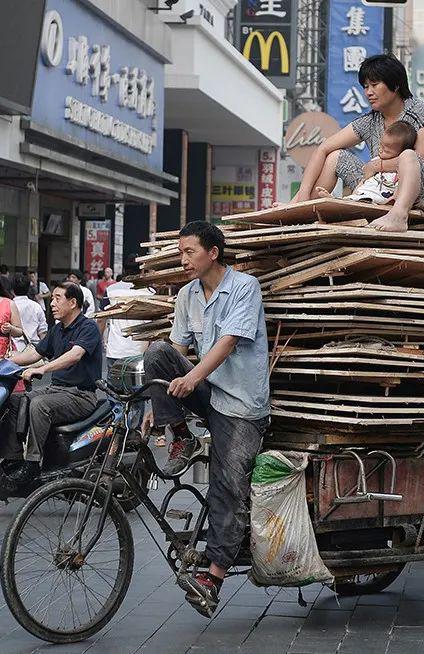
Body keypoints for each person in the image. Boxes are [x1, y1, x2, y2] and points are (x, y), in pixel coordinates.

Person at [141, 221, 269, 617]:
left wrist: (192, 376)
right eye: (180, 252)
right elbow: (176, 350)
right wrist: (154, 405)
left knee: (227, 485)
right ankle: (182, 436)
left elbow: (229, 341)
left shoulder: (244, 287)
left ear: (213, 253)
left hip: (241, 404)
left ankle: (212, 577)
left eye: (189, 252)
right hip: (208, 394)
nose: (183, 259)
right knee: (157, 352)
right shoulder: (186, 295)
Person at [289, 54, 424, 232]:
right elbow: (323, 148)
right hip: (380, 189)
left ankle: (399, 215)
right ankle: (301, 209)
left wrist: (377, 166)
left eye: (374, 85)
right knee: (334, 156)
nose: (368, 92)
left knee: (408, 155)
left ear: (396, 85)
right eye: (365, 86)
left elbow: (423, 159)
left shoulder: (420, 111)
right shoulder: (370, 121)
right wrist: (302, 194)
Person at [3, 282, 102, 486]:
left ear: (73, 302)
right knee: (15, 400)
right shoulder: (57, 329)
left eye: (57, 298)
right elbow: (35, 353)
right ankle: (13, 458)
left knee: (40, 404)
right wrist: (7, 360)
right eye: (52, 299)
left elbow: (74, 356)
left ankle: (32, 464)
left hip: (80, 395)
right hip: (57, 390)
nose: (52, 304)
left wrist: (42, 369)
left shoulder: (88, 327)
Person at [318, 121, 417, 205]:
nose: (381, 151)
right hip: (365, 194)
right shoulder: (375, 162)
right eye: (380, 146)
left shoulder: (403, 167)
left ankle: (338, 202)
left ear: (401, 153)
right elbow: (363, 181)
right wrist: (355, 193)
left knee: (363, 201)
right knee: (354, 199)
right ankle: (337, 201)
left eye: (387, 151)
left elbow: (403, 185)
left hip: (382, 198)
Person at [99, 274, 151, 370]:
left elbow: (101, 318)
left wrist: (98, 340)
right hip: (139, 351)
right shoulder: (149, 291)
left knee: (114, 383)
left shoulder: (111, 290)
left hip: (115, 349)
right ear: (142, 270)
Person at [11, 274, 49, 348]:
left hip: (15, 348)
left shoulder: (8, 306)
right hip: (34, 349)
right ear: (28, 288)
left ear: (12, 290)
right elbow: (43, 332)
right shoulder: (36, 306)